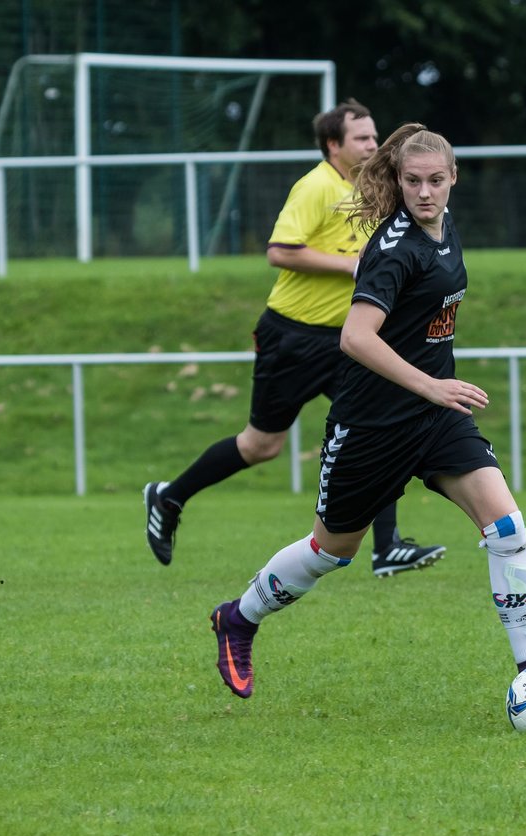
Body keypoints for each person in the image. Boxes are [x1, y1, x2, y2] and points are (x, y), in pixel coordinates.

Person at [208, 122, 526, 701]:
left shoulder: (446, 232)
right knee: (331, 552)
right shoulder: (395, 249)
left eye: (436, 181)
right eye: (413, 181)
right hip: (371, 425)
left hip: (434, 420)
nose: (424, 192)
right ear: (399, 180)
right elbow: (356, 338)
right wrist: (434, 385)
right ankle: (238, 618)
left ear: (452, 180)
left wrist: (435, 395)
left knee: (507, 527)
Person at [144, 99, 446, 578]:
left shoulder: (374, 189)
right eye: (361, 138)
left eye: (374, 136)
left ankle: (386, 547)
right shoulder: (316, 187)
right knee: (262, 446)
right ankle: (169, 496)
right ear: (333, 145)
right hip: (293, 338)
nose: (372, 144)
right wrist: (353, 266)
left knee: (380, 422)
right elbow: (280, 251)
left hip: (347, 339)